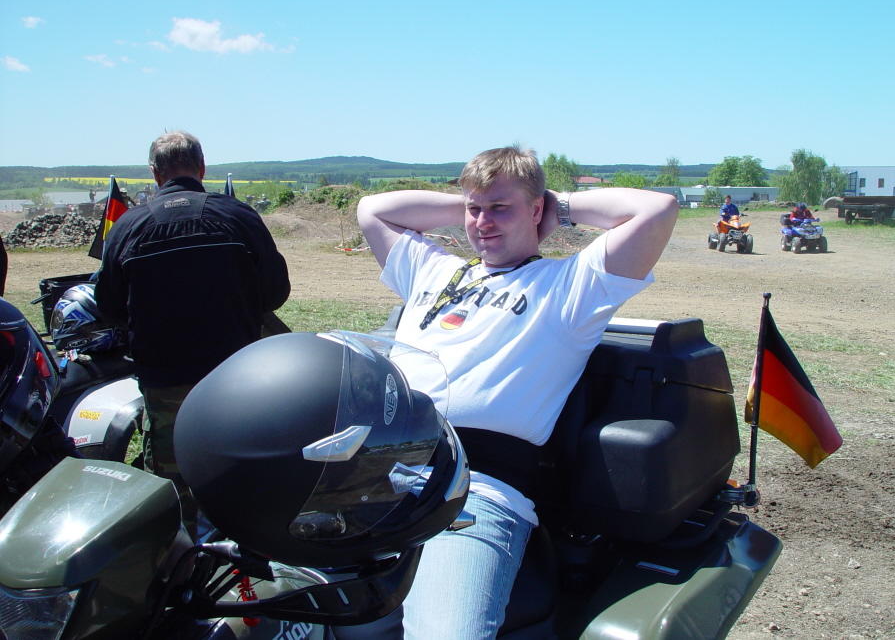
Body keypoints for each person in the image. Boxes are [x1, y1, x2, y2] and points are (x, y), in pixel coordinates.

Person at [353, 144, 678, 639]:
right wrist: (479, 206)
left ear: (536, 209)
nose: (482, 222)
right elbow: (372, 209)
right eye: (475, 209)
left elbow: (658, 210)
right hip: (374, 473)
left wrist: (555, 208)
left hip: (472, 490)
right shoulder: (432, 270)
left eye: (500, 208)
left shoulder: (570, 288)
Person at [94, 130, 291, 539]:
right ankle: (247, 552)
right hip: (236, 380)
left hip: (165, 383)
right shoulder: (238, 216)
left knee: (173, 485)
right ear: (202, 168)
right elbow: (275, 293)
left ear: (155, 173)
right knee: (242, 471)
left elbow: (109, 309)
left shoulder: (128, 227)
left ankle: (181, 560)